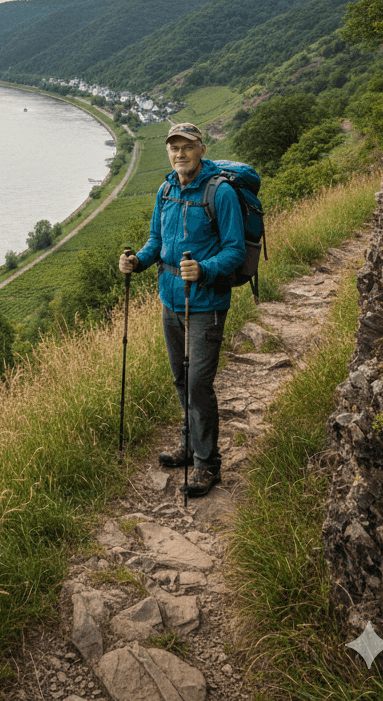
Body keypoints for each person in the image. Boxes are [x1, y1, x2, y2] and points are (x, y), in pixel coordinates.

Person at [118, 122, 246, 497]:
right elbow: (157, 239)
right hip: (171, 300)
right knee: (180, 378)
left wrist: (204, 269)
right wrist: (138, 262)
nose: (179, 154)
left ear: (201, 149)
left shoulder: (219, 192)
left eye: (186, 147)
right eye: (173, 148)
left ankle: (207, 464)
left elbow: (235, 251)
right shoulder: (166, 189)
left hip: (205, 303)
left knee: (197, 384)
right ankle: (188, 446)